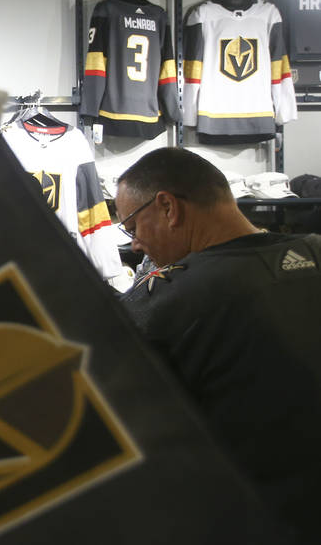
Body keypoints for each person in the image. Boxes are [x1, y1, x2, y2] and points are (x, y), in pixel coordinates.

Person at [115, 147, 321, 541]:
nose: (136, 244)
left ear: (168, 208)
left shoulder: (165, 301)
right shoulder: (314, 251)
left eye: (132, 225)